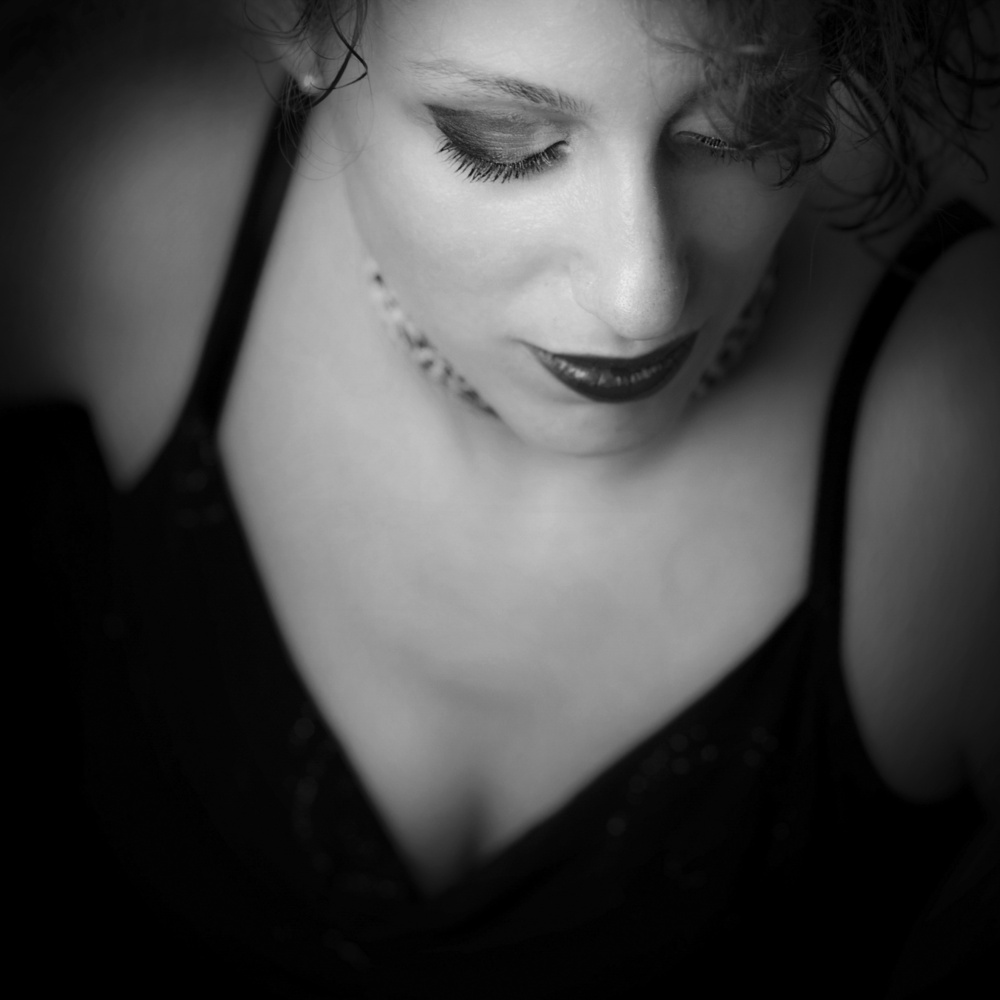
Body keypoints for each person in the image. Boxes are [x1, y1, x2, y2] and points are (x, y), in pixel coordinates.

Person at [3, 0, 999, 996]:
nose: (642, 296)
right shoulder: (128, 192)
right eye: (503, 144)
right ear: (304, 30)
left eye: (744, 127)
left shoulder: (963, 420)